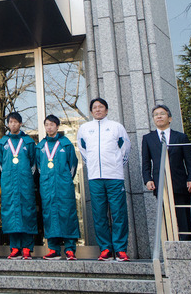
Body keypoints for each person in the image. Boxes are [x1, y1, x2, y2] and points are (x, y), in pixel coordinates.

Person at [77, 98, 131, 262]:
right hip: (95, 177)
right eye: (95, 107)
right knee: (99, 215)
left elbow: (126, 147)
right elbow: (82, 149)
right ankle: (105, 249)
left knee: (118, 213)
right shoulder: (85, 128)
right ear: (91, 111)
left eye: (101, 107)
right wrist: (91, 165)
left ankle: (120, 249)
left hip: (114, 176)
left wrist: (117, 165)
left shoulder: (116, 127)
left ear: (106, 110)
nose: (98, 110)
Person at [142, 104, 191, 241]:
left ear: (170, 118)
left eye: (162, 113)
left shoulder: (181, 137)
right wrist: (147, 179)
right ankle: (170, 247)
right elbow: (146, 162)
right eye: (156, 115)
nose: (159, 116)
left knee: (183, 217)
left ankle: (187, 247)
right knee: (166, 218)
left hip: (180, 184)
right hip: (160, 184)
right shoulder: (148, 138)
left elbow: (189, 161)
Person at [36, 115, 80, 260]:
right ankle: (53, 249)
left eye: (52, 125)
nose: (49, 127)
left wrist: (65, 180)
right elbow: (38, 167)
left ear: (57, 126)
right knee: (49, 215)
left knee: (67, 214)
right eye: (47, 125)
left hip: (63, 186)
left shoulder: (65, 144)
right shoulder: (41, 146)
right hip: (47, 186)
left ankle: (69, 249)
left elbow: (73, 165)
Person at [0, 112, 37, 260]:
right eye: (10, 122)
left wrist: (25, 177)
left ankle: (26, 248)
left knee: (27, 213)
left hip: (24, 183)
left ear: (20, 124)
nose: (13, 124)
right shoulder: (2, 143)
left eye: (15, 122)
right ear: (7, 124)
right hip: (8, 184)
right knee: (10, 214)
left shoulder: (28, 142)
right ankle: (14, 247)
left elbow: (33, 164)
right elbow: (0, 164)